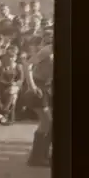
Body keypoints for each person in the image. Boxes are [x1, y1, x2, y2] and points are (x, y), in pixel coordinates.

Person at [25, 34, 53, 167]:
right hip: (38, 86)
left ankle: (43, 155)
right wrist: (32, 86)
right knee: (46, 122)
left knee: (49, 123)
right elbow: (27, 65)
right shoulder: (48, 50)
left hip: (48, 87)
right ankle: (36, 158)